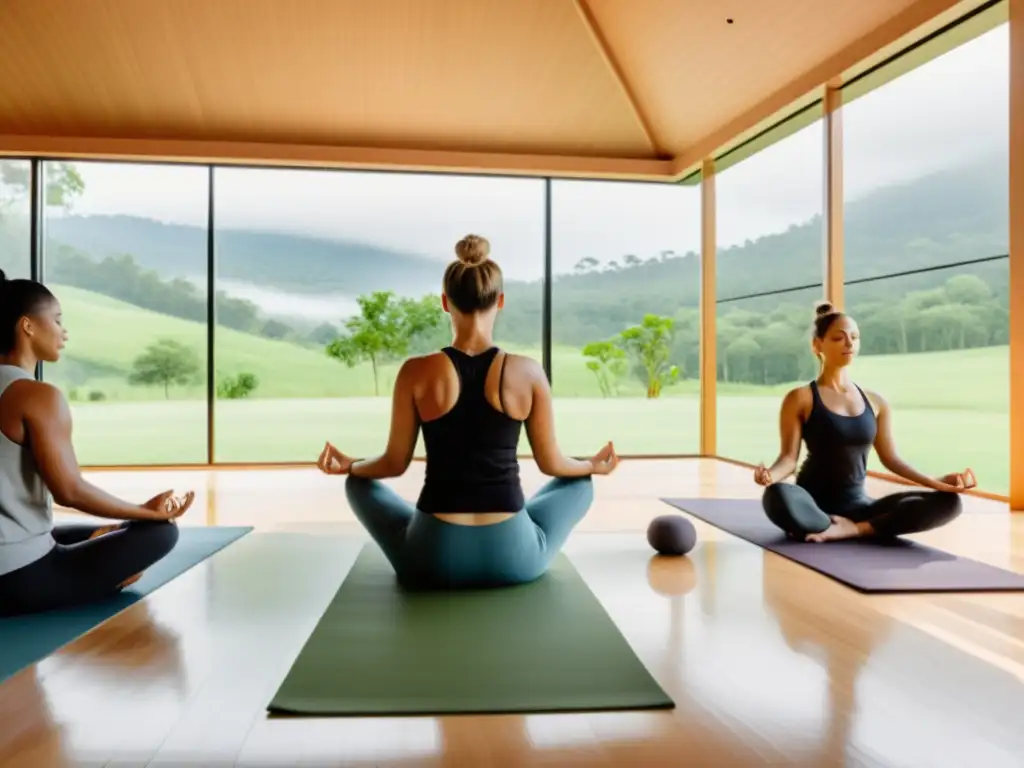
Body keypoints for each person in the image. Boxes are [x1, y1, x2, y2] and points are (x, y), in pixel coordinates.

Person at [316, 234, 618, 589]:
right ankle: (522, 526)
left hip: (432, 560)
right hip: (514, 558)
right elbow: (552, 463)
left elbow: (394, 464)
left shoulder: (415, 371)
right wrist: (592, 466)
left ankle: (419, 524)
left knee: (358, 484)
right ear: (500, 301)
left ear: (445, 302)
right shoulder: (529, 371)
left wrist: (351, 465)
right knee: (579, 483)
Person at [0, 269, 193, 617]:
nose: (64, 332)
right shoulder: (37, 397)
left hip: (17, 549)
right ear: (28, 326)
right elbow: (69, 492)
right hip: (16, 579)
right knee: (159, 534)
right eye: (57, 320)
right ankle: (108, 569)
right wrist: (146, 512)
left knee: (72, 532)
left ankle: (113, 534)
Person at [753, 300, 972, 543]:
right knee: (777, 495)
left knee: (949, 503)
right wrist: (770, 476)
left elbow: (892, 460)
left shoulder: (876, 402)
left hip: (860, 507)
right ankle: (827, 524)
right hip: (811, 504)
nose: (849, 343)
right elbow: (788, 459)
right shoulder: (800, 398)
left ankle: (857, 528)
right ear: (817, 345)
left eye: (854, 337)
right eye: (839, 338)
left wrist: (937, 482)